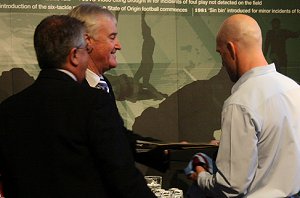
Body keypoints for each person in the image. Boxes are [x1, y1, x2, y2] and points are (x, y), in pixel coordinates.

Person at [0, 15, 155, 198]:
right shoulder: (93, 103)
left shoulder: (7, 109)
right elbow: (123, 177)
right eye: (85, 50)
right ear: (74, 56)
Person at [189, 14, 300, 197]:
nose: (222, 62)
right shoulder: (294, 89)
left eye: (220, 53)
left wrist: (200, 175)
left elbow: (231, 187)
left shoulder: (239, 103)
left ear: (231, 49)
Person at [68, 3, 169, 172]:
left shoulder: (103, 85)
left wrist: (166, 150)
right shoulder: (72, 93)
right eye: (112, 37)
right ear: (87, 41)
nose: (118, 46)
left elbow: (117, 138)